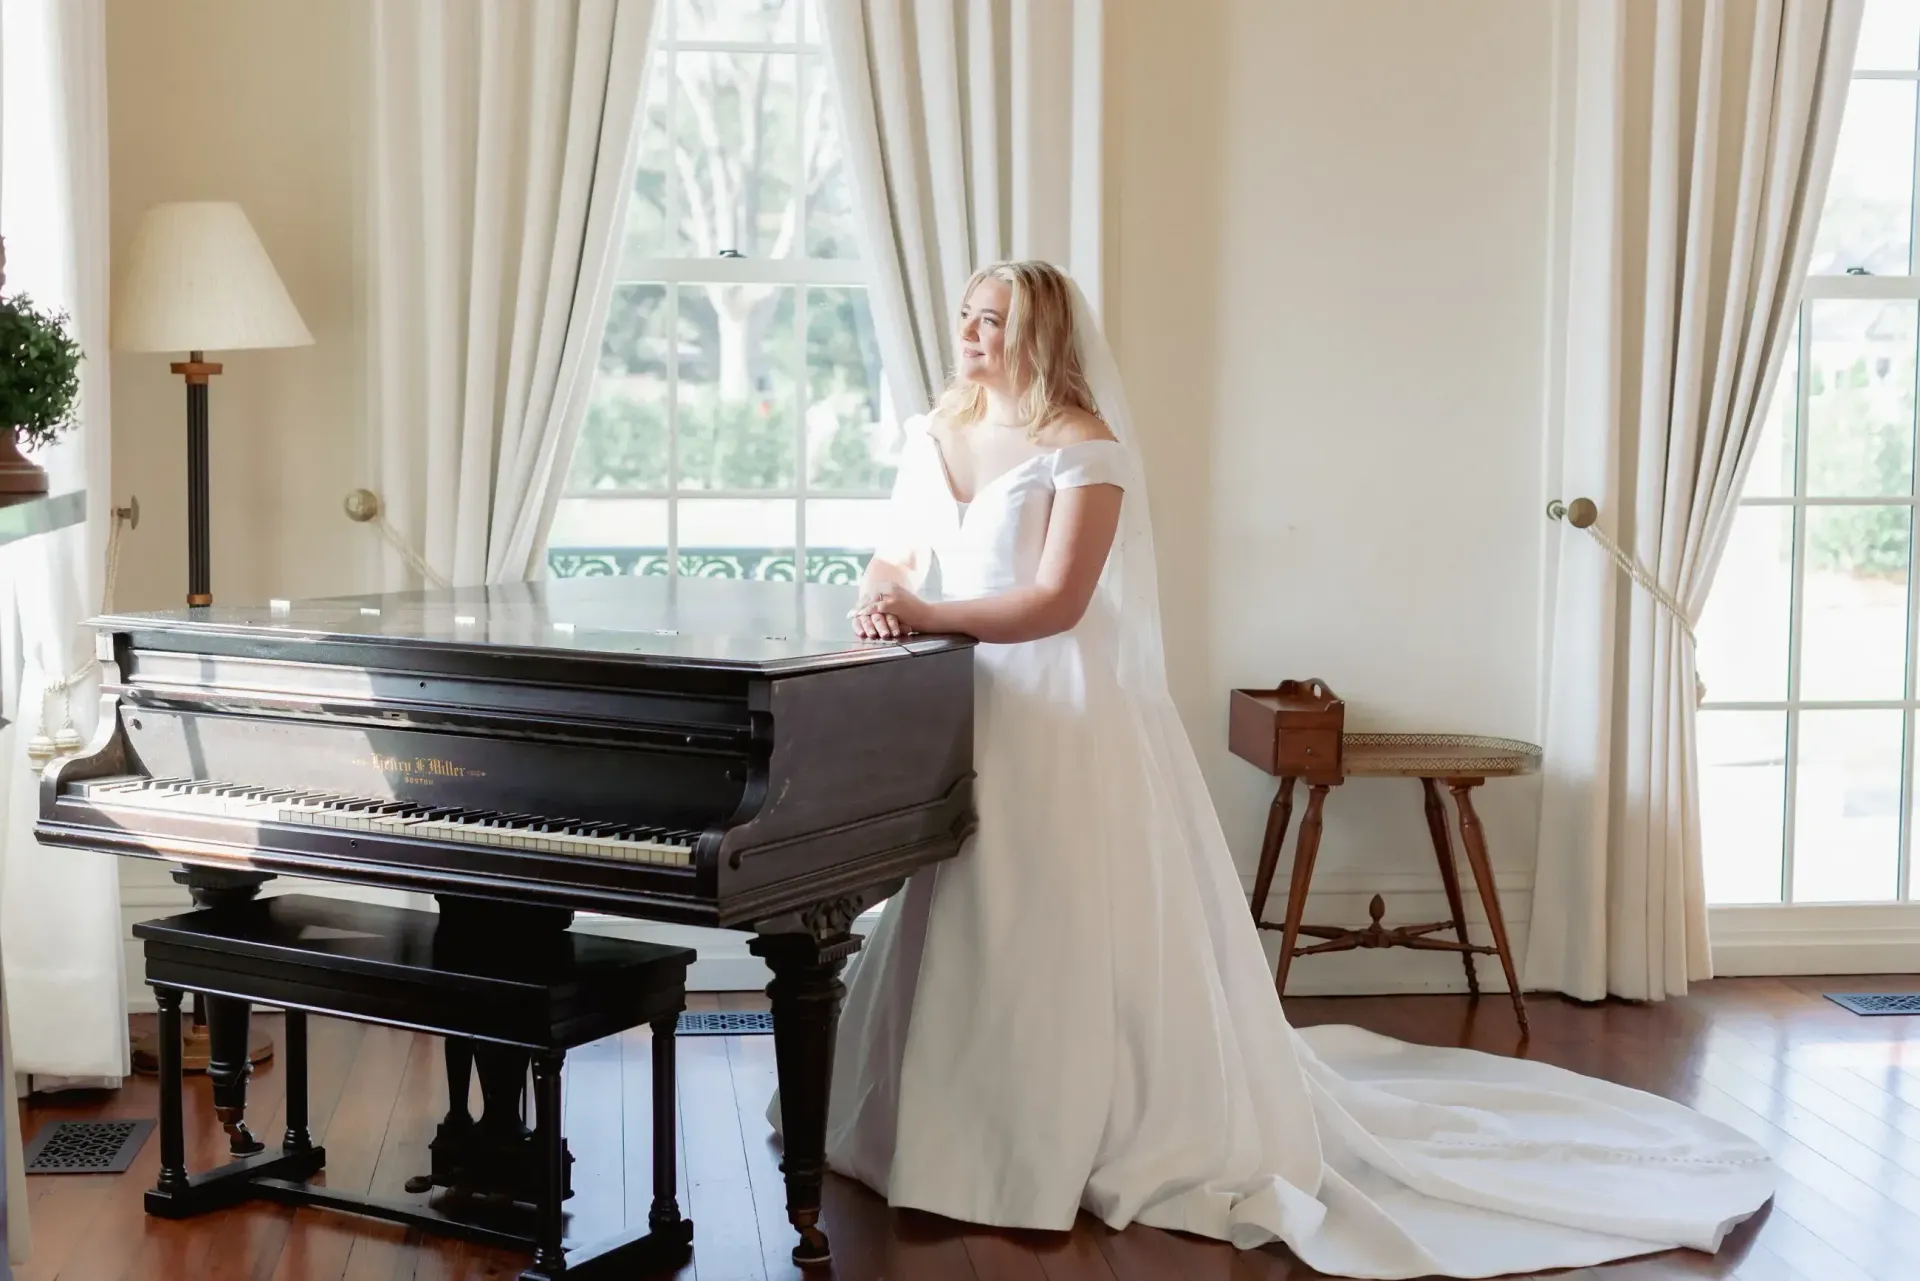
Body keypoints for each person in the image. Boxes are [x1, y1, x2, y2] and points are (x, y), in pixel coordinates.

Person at [773, 260, 1775, 1279]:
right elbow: (894, 558)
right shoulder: (935, 433)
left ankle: (1053, 1140)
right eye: (968, 317)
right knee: (958, 902)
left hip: (1062, 708)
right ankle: (933, 1127)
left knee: (1050, 906)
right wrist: (881, 601)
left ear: (1041, 336)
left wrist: (929, 615)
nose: (972, 336)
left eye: (995, 322)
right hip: (963, 703)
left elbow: (1058, 603)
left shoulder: (1087, 449)